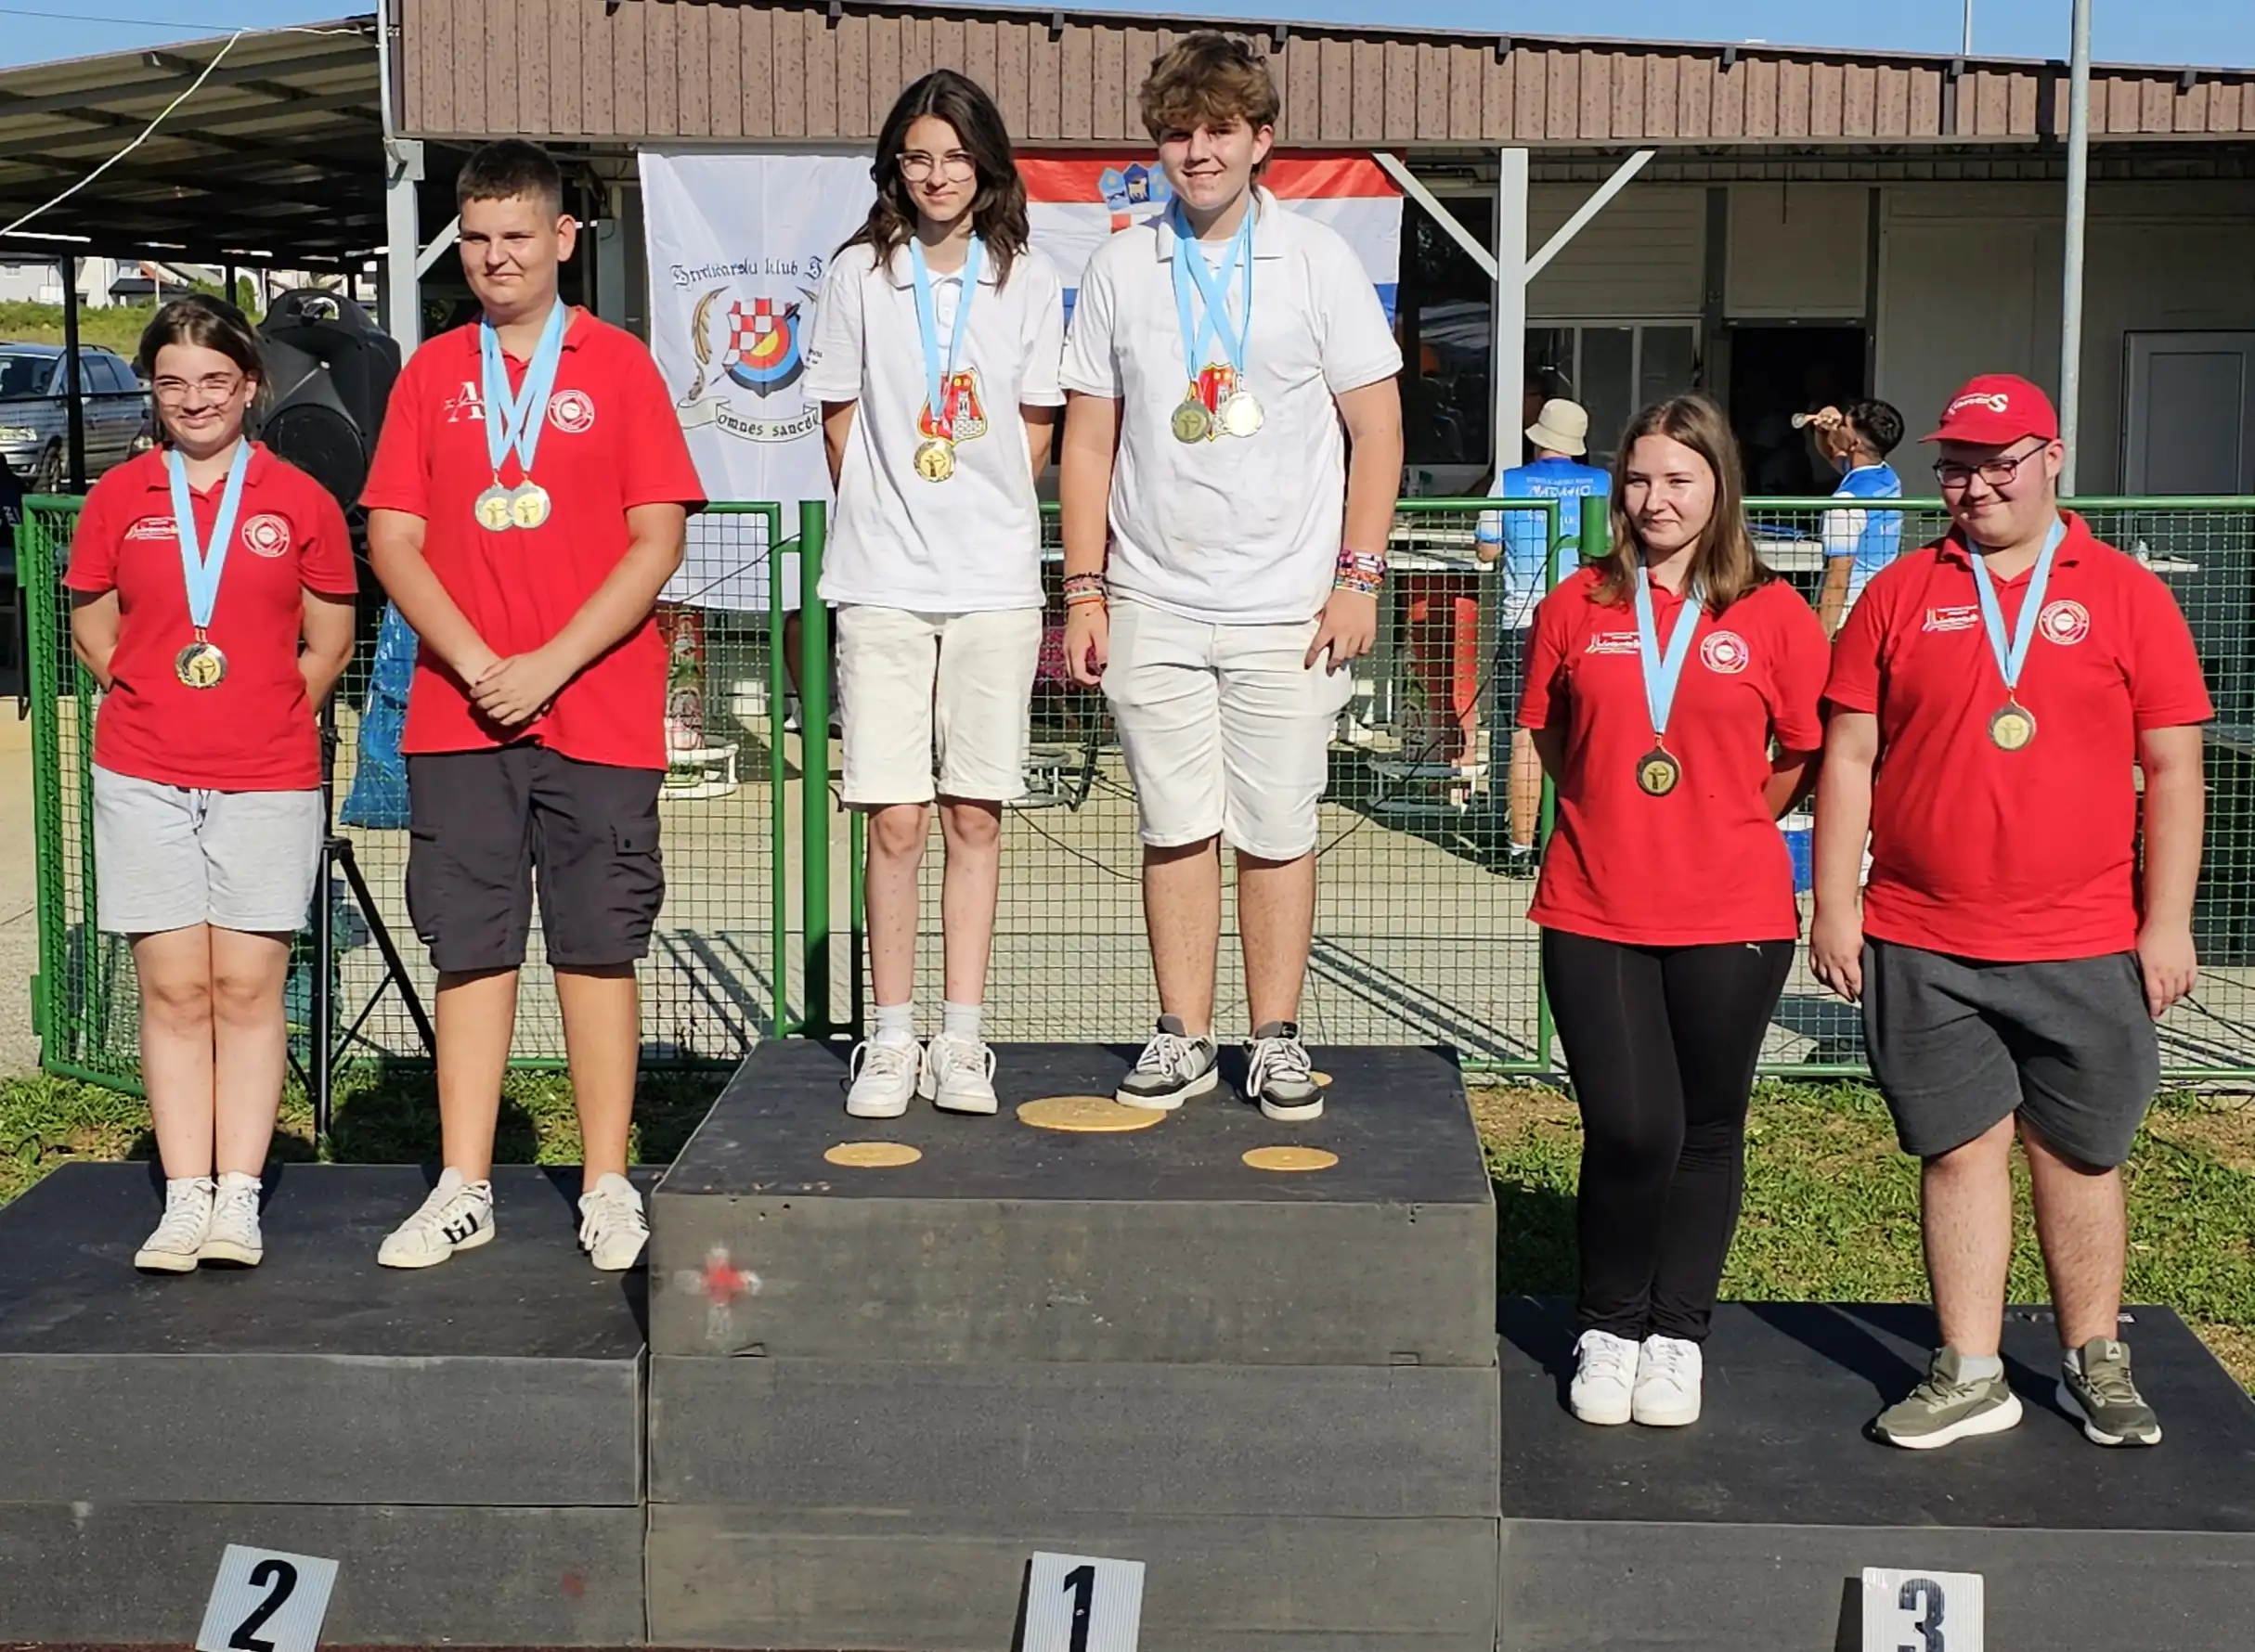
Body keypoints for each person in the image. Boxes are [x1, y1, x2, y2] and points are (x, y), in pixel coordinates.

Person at [1812, 374, 2210, 1450]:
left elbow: (2172, 769)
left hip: (2082, 939)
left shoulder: (2126, 593)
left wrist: (2163, 920)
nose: (1973, 484)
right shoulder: (1898, 593)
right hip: (1922, 937)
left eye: (1998, 462)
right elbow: (1847, 756)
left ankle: (2095, 1361)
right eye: (1954, 465)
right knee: (1955, 1149)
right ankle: (1969, 1368)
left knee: (2079, 1154)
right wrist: (1832, 901)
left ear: (2051, 458)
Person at [362, 139, 705, 1271]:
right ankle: (465, 1183)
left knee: (599, 944)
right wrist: (472, 659)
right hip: (461, 712)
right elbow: (393, 539)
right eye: (477, 237)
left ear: (565, 238)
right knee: (472, 943)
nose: (496, 257)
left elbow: (655, 541)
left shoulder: (619, 367)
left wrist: (549, 662)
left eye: (518, 235)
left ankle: (606, 1179)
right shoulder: (430, 376)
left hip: (595, 705)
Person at [1058, 32, 1403, 1121]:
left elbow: (1377, 428)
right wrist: (1082, 588)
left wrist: (1358, 576)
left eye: (1216, 130)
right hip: (1152, 600)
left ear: (1261, 140)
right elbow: (1086, 437)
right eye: (1175, 130)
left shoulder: (1316, 260)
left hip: (1287, 608)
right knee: (1173, 825)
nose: (1194, 150)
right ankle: (1182, 1033)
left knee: (1277, 828)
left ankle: (1276, 1037)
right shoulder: (1120, 262)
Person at [1518, 393, 1828, 1428]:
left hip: (1731, 910)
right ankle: (1607, 1322)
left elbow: (1795, 754)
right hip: (1596, 901)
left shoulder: (1772, 612)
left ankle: (1676, 1333)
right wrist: (1615, 812)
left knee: (1704, 1126)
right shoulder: (1579, 602)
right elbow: (1555, 738)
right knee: (1627, 1124)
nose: (1655, 499)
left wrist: (1721, 821)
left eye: (1678, 480)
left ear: (1717, 487)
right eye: (1639, 479)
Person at [65, 294, 356, 1271]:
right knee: (173, 986)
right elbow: (92, 623)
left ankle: (241, 1193)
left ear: (249, 386)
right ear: (153, 389)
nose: (195, 400)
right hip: (142, 771)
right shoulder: (120, 497)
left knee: (246, 983)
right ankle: (182, 1196)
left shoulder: (299, 500)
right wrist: (146, 692)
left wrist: (275, 707)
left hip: (266, 773)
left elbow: (330, 637)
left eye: (215, 382)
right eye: (175, 382)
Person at [803, 70, 1066, 1118]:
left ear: (986, 164)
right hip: (880, 582)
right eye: (918, 156)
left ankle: (963, 1036)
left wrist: (980, 502)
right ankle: (890, 1033)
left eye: (955, 156)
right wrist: (886, 510)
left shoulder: (1028, 280)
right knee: (894, 819)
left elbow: (1035, 426)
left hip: (995, 583)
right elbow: (836, 416)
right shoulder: (859, 273)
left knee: (973, 815)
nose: (937, 174)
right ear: (894, 168)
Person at [1482, 397, 1610, 866]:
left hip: (1524, 622)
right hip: (1589, 625)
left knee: (1527, 736)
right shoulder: (1603, 483)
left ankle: (1519, 847)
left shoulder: (1511, 482)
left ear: (1539, 442)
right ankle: (1581, 841)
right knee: (1592, 734)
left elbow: (1487, 550)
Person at [1808, 397, 1906, 636]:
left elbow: (1838, 579)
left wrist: (1820, 643)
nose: (1837, 425)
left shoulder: (1846, 501)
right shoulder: (1886, 477)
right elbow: (1833, 456)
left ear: (1855, 442)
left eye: (1843, 425)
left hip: (1845, 621)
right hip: (1881, 609)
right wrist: (1822, 431)